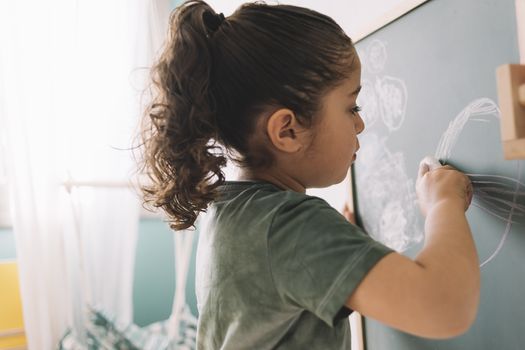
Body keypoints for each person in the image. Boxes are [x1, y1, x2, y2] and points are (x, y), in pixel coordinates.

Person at [137, 1, 480, 348]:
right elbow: (444, 307)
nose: (360, 123)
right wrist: (443, 204)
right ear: (287, 131)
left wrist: (347, 252)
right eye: (352, 107)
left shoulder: (233, 213)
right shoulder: (290, 227)